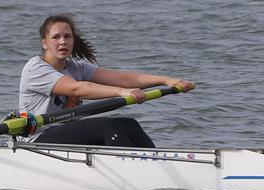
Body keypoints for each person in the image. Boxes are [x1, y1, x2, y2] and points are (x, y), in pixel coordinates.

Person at [18, 14, 194, 148]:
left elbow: (122, 78)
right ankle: (135, 171)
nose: (63, 42)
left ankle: (156, 163)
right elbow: (77, 89)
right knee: (106, 126)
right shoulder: (36, 69)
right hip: (37, 140)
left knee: (129, 124)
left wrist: (167, 80)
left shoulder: (76, 67)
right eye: (56, 37)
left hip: (66, 133)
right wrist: (120, 92)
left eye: (67, 36)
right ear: (45, 43)